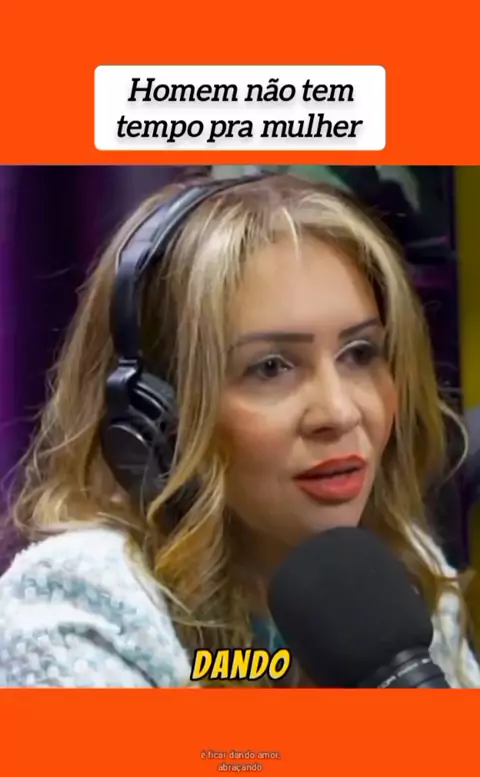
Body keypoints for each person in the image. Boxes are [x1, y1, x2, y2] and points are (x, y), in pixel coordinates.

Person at [0, 174, 478, 688]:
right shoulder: (82, 608)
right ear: (158, 416)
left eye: (359, 353)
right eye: (271, 367)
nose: (340, 413)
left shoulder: (397, 575)